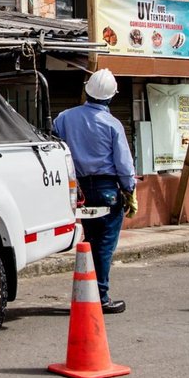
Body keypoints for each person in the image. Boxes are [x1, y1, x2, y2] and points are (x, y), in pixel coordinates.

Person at [52, 69, 137, 313]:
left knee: (89, 241)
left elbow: (55, 146)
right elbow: (123, 164)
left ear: (87, 90)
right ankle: (100, 297)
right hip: (107, 189)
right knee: (104, 245)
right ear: (111, 97)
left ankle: (87, 291)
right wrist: (130, 189)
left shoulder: (65, 118)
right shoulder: (112, 124)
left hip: (80, 191)